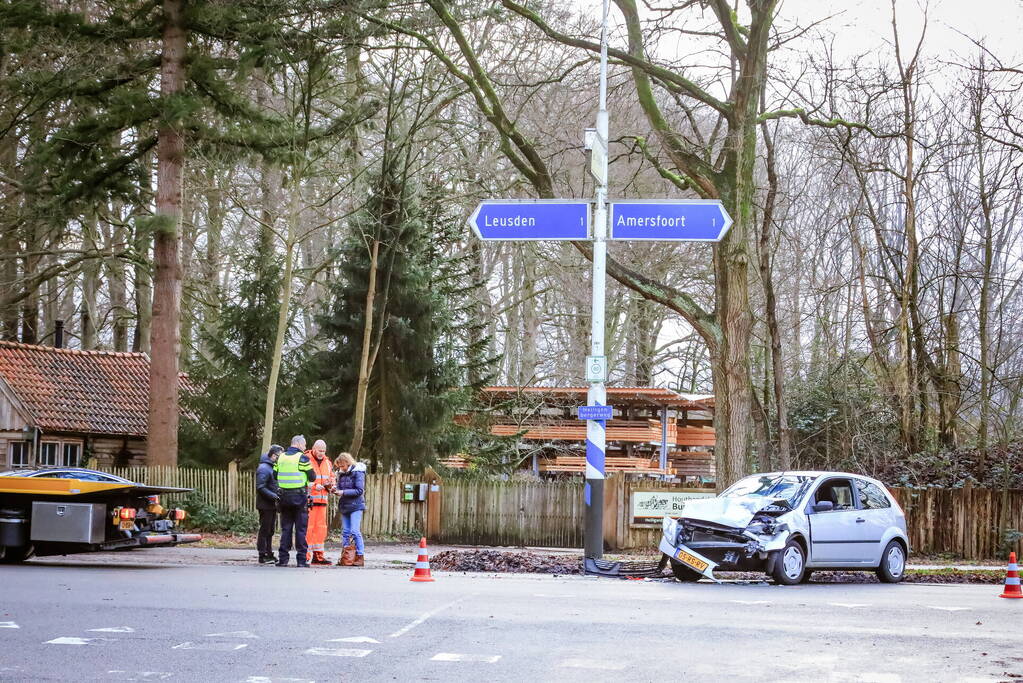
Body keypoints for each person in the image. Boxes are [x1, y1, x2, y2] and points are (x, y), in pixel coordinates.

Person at [274, 435, 314, 567]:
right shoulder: (302, 458)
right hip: (299, 498)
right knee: (301, 529)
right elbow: (312, 476)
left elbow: (275, 474)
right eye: (304, 445)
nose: (305, 447)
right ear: (298, 444)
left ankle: (283, 559)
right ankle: (301, 561)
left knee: (286, 529)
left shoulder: (281, 457)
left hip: (284, 497)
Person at [333, 452, 366, 567]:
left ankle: (360, 556)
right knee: (346, 532)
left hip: (356, 505)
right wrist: (334, 489)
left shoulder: (358, 472)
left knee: (355, 531)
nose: (340, 468)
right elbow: (340, 487)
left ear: (347, 462)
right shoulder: (341, 474)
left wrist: (343, 492)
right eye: (339, 466)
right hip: (345, 505)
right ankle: (346, 556)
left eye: (342, 466)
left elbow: (359, 490)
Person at [305, 439, 334, 566]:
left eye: (324, 451)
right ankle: (306, 556)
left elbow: (331, 477)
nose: (322, 453)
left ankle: (318, 556)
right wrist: (314, 485)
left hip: (322, 500)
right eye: (320, 450)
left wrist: (331, 485)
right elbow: (301, 479)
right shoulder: (305, 459)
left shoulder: (328, 462)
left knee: (321, 530)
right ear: (314, 448)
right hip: (310, 500)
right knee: (308, 529)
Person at [255, 444, 284, 564]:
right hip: (265, 504)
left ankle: (269, 553)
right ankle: (262, 555)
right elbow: (260, 487)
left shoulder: (272, 467)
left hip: (271, 504)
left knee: (270, 530)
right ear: (273, 456)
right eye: (279, 456)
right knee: (265, 529)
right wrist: (274, 496)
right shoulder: (264, 468)